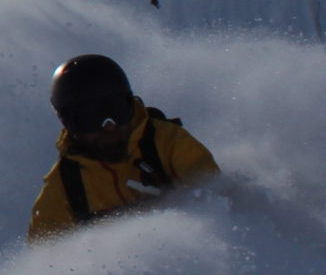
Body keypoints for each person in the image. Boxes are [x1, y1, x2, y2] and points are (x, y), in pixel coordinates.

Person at [27, 54, 218, 240]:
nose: (109, 125)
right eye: (91, 117)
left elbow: (218, 202)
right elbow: (46, 259)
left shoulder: (166, 143)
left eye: (116, 110)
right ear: (69, 123)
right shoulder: (66, 187)